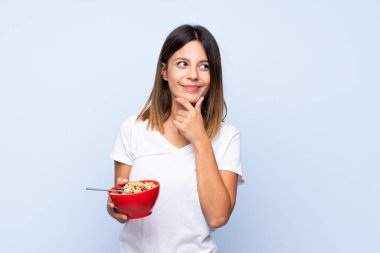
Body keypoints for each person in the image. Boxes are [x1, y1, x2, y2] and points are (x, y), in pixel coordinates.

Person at [107, 24, 244, 253]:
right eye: (182, 64)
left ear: (213, 75)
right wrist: (116, 208)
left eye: (204, 66)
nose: (193, 74)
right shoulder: (132, 129)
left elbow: (218, 216)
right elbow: (124, 209)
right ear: (164, 72)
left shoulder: (227, 137)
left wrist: (200, 139)